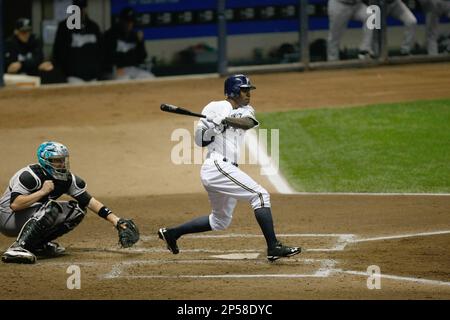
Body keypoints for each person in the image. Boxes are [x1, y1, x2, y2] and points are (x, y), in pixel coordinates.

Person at [157, 74, 301, 262]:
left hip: (223, 169)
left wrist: (224, 121)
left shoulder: (247, 110)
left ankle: (172, 233)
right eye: (245, 90)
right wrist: (211, 128)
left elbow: (247, 124)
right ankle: (273, 247)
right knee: (259, 195)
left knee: (220, 221)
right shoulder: (213, 107)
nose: (249, 93)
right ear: (234, 91)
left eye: (249, 90)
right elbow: (200, 141)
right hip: (217, 165)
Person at [0, 141, 139, 264]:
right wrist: (42, 192)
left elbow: (89, 201)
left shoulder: (67, 179)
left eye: (62, 160)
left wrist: (116, 220)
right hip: (8, 218)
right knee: (51, 208)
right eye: (56, 160)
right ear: (45, 161)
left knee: (77, 210)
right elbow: (15, 205)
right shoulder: (30, 176)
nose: (61, 163)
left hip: (29, 216)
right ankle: (18, 248)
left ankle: (37, 245)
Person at [52, 0, 102, 83]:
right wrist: (66, 72)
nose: (80, 11)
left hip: (93, 76)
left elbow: (101, 50)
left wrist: (98, 70)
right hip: (73, 77)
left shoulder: (93, 27)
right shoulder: (64, 27)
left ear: (86, 8)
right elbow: (58, 52)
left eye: (82, 8)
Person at [103, 7, 153, 80]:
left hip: (132, 69)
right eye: (127, 21)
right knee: (124, 79)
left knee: (149, 78)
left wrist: (140, 42)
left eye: (131, 21)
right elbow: (107, 58)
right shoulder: (110, 35)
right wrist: (114, 68)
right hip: (114, 69)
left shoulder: (134, 36)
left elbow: (142, 57)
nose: (129, 24)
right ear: (121, 20)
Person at [4, 18, 57, 82]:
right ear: (16, 31)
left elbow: (38, 60)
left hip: (33, 77)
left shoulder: (35, 41)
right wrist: (34, 66)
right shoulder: (10, 43)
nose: (26, 34)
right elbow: (10, 67)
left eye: (28, 31)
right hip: (15, 79)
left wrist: (21, 64)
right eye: (23, 32)